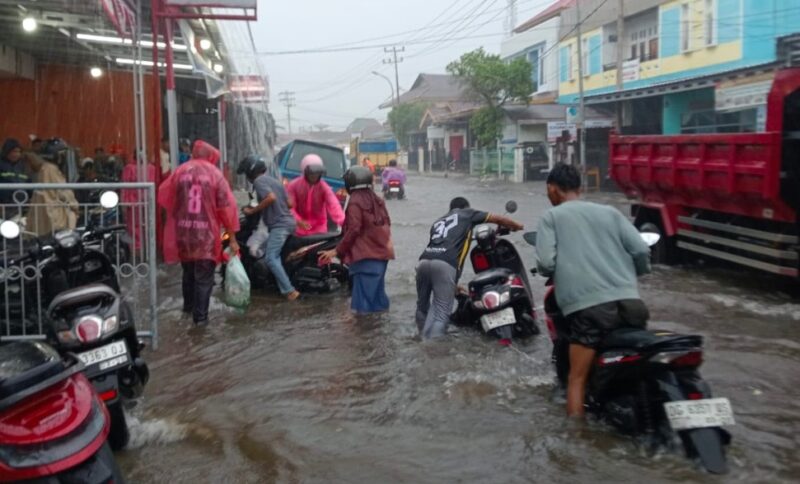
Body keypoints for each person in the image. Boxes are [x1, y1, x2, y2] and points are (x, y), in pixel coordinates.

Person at [535, 163, 652, 418]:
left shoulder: (552, 217)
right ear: (580, 187)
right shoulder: (610, 212)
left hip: (590, 310)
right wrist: (639, 273)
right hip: (632, 305)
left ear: (552, 189)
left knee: (576, 379)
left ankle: (575, 441)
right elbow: (641, 251)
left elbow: (545, 262)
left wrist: (555, 271)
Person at [416, 197, 523, 340]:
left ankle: (421, 336)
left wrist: (454, 285)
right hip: (444, 264)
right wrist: (517, 226)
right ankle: (432, 349)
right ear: (466, 207)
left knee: (422, 306)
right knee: (441, 313)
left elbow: (443, 247)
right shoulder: (467, 213)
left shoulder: (438, 221)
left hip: (423, 262)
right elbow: (496, 218)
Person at [159, 140, 240, 325]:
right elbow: (226, 207)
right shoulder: (215, 175)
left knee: (188, 273)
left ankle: (187, 311)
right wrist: (232, 237)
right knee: (204, 278)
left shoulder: (180, 172)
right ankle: (200, 321)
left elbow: (166, 196)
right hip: (206, 236)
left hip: (184, 234)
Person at [319, 166, 394, 314]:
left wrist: (337, 250)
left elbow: (354, 229)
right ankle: (379, 332)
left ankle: (364, 335)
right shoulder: (378, 200)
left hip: (364, 258)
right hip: (381, 257)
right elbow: (387, 224)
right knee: (378, 301)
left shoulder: (355, 201)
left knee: (362, 306)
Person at [238, 156, 300, 301]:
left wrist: (253, 211)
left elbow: (271, 198)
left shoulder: (259, 181)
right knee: (262, 250)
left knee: (271, 258)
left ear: (250, 172)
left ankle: (289, 291)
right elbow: (290, 203)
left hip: (280, 225)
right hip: (288, 223)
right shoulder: (275, 181)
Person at [286, 154, 345, 236]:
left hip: (319, 231)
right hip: (298, 230)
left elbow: (334, 206)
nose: (314, 176)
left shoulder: (324, 187)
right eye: (311, 174)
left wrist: (345, 223)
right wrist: (298, 220)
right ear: (305, 172)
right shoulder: (293, 186)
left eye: (317, 174)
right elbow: (289, 207)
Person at [25, 152, 78, 236]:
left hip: (44, 209)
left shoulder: (44, 169)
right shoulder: (50, 169)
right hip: (54, 210)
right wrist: (74, 204)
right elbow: (62, 190)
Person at [0, 138, 30, 217]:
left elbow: (29, 183)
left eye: (19, 152)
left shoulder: (23, 166)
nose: (17, 154)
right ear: (6, 151)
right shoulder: (1, 164)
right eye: (14, 151)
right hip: (3, 207)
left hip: (20, 207)